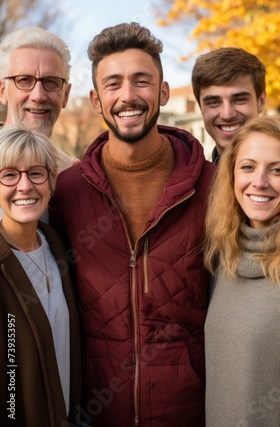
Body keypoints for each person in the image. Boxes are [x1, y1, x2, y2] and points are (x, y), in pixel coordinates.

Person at [49, 22, 215, 427]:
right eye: (113, 84)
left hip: (190, 411)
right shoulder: (66, 191)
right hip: (95, 411)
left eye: (141, 81)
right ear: (95, 99)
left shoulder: (212, 186)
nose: (128, 96)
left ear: (161, 91)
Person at [0, 126, 80, 426]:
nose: (24, 186)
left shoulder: (58, 248)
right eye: (9, 174)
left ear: (50, 182)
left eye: (36, 173)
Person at [204, 114, 280, 426]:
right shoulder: (221, 258)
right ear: (232, 174)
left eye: (277, 170)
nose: (259, 182)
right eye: (248, 167)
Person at [0, 26, 79, 173]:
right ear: (3, 91)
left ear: (66, 95)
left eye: (51, 81)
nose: (38, 96)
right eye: (24, 80)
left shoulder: (72, 174)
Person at [191, 47, 266, 163]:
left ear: (261, 101)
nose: (227, 114)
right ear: (200, 107)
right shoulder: (194, 179)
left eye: (239, 99)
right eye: (213, 102)